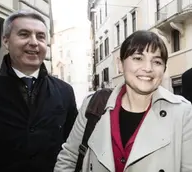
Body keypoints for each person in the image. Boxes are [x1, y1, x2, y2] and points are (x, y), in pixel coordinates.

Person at [54, 30, 192, 172]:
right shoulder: (93, 106)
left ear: (163, 69)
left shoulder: (183, 113)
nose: (148, 68)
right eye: (138, 58)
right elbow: (68, 159)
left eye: (157, 61)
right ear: (120, 65)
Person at [0, 10, 78, 172]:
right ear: (6, 41)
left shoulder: (65, 92)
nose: (34, 42)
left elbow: (72, 150)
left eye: (40, 36)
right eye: (24, 34)